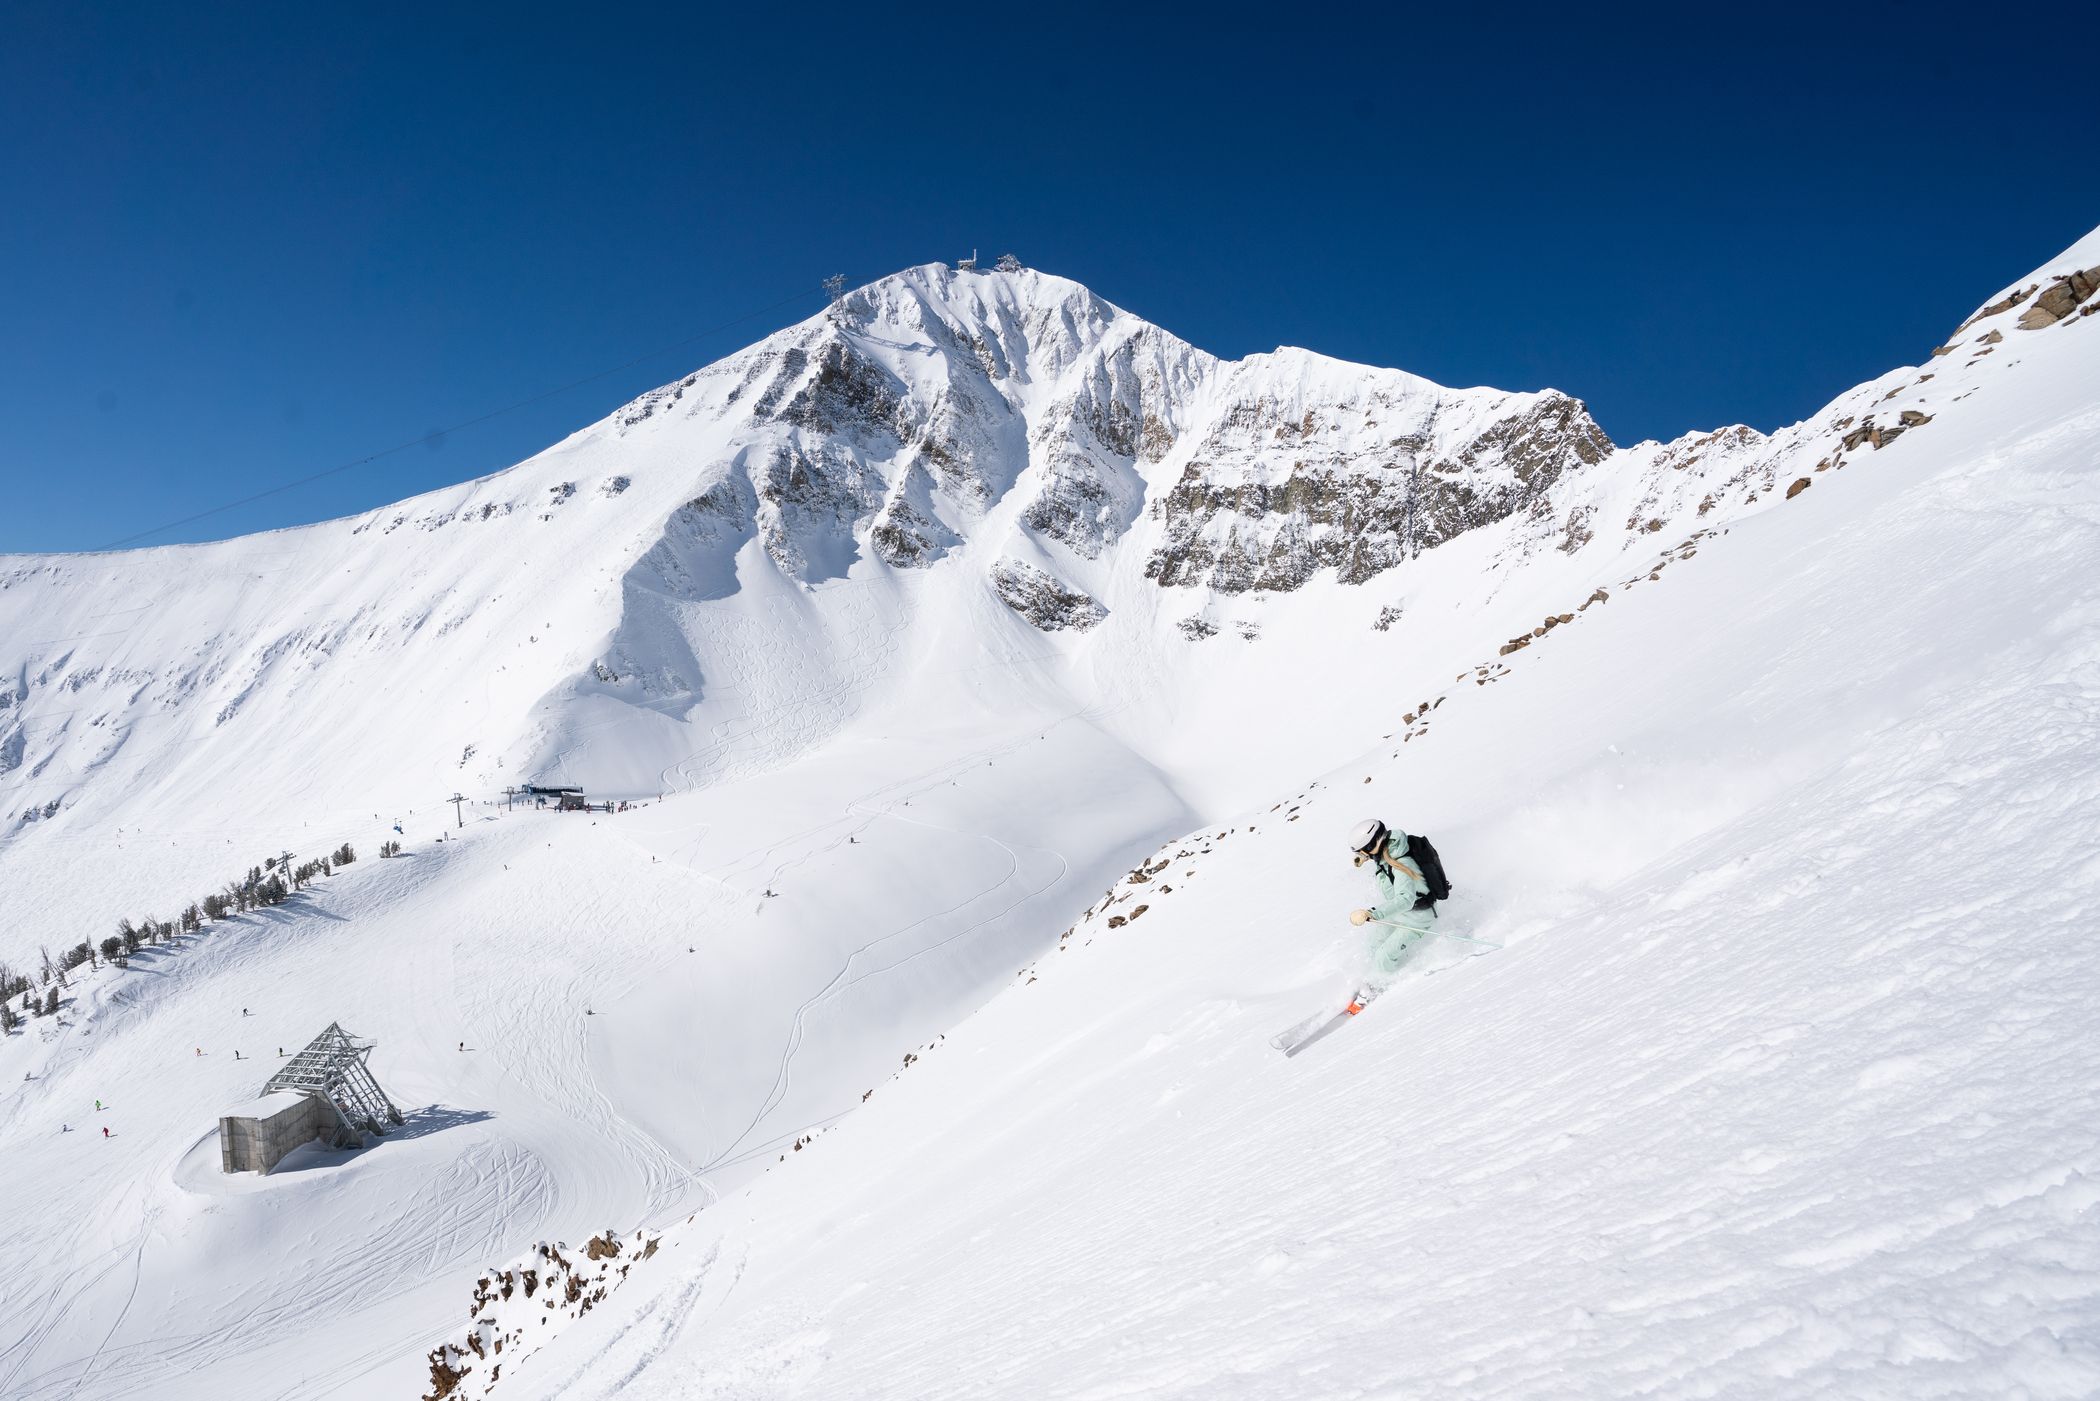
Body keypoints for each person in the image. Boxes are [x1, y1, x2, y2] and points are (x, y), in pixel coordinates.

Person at [1347, 818, 1436, 982]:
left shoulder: (1401, 863)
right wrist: (1365, 857)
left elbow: (1406, 899)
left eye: (1362, 851)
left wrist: (1371, 913)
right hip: (1402, 914)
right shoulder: (1387, 854)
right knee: (1373, 945)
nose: (1360, 855)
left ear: (1371, 846)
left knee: (1383, 957)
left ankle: (1382, 987)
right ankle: (1375, 977)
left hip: (1417, 919)